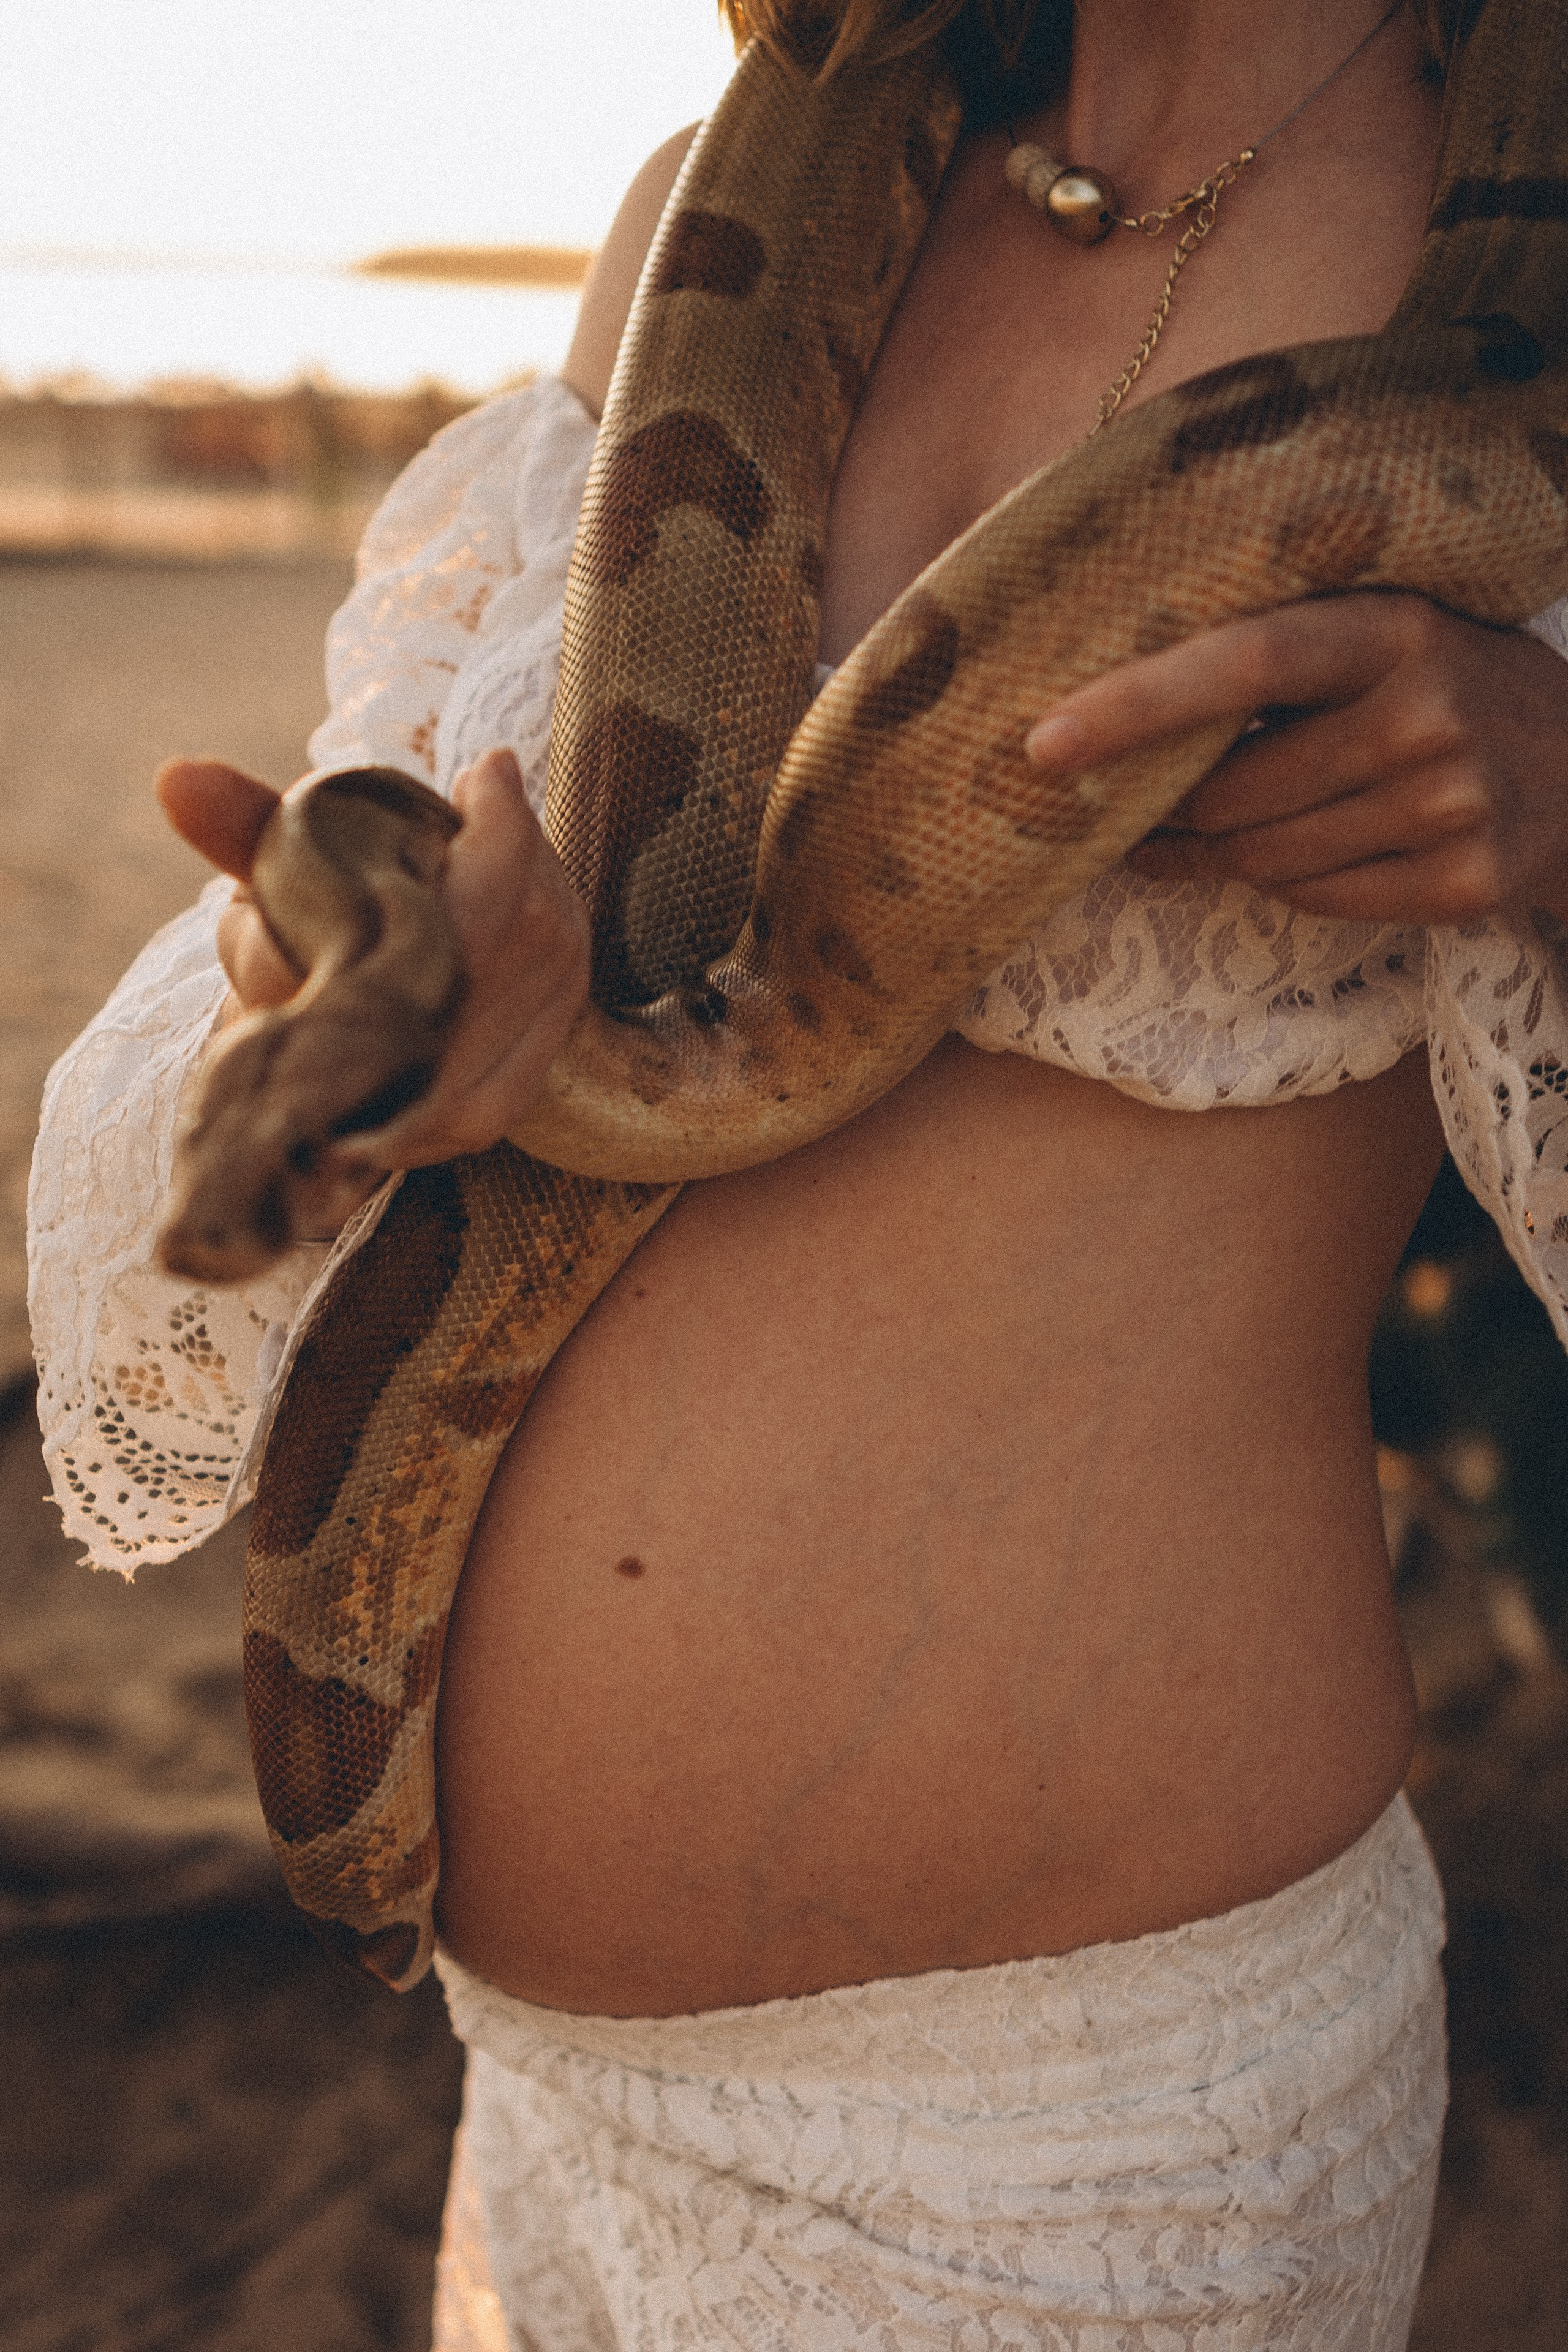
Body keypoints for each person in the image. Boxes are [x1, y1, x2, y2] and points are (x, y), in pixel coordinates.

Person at [27, 0, 1568, 2342]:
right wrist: (370, 960)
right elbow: (425, 853)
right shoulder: (704, 214)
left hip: (1078, 2141)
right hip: (542, 2102)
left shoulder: (1515, 254)